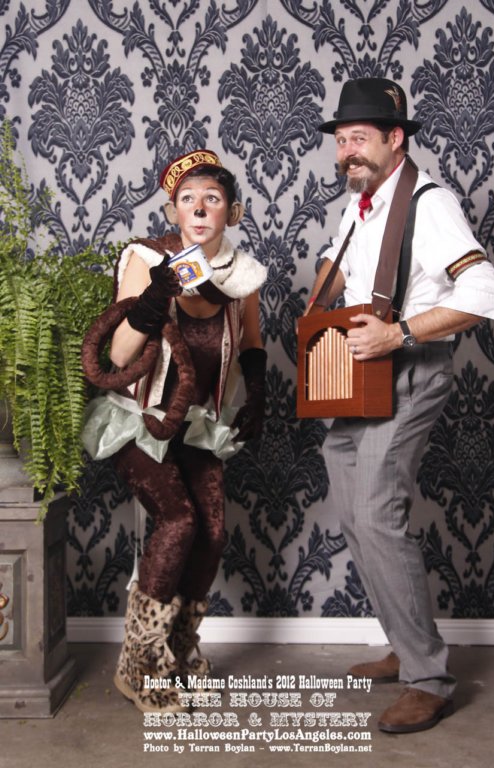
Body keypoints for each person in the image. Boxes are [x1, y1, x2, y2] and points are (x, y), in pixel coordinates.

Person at [308, 78, 494, 733]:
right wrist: (321, 299)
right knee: (351, 510)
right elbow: (343, 264)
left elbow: (487, 295)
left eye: (359, 138)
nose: (347, 151)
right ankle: (404, 642)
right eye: (341, 140)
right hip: (355, 373)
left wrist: (397, 334)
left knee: (376, 510)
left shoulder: (429, 202)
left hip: (408, 371)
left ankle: (429, 678)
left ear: (396, 139)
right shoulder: (363, 202)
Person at [81, 149, 267, 712]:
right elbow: (118, 355)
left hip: (195, 425)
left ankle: (178, 654)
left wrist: (258, 391)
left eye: (213, 198)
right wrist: (154, 298)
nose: (200, 208)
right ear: (174, 211)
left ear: (232, 212)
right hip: (138, 420)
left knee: (212, 531)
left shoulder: (243, 275)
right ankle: (139, 665)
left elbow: (251, 342)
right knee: (179, 519)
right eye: (189, 199)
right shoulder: (147, 260)